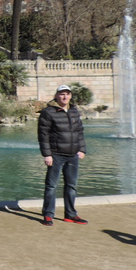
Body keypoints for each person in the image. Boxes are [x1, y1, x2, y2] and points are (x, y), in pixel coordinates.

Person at [38, 84, 88, 226]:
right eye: (61, 94)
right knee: (51, 186)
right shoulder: (48, 112)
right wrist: (47, 154)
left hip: (73, 155)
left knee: (71, 186)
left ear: (70, 96)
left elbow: (80, 132)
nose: (64, 96)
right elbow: (43, 135)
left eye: (67, 94)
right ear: (56, 96)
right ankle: (48, 215)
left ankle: (70, 214)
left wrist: (82, 149)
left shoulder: (74, 111)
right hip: (56, 155)